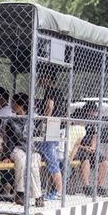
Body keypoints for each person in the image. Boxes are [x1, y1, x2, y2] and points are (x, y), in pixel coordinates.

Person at [2, 93, 45, 207]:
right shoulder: (11, 121)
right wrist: (6, 155)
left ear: (20, 105)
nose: (11, 105)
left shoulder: (35, 119)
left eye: (14, 103)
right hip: (17, 148)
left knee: (33, 164)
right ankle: (20, 193)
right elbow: (9, 140)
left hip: (32, 149)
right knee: (22, 160)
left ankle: (38, 196)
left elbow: (39, 138)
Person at [36, 68, 65, 201]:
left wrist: (44, 121)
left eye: (41, 77)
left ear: (47, 77)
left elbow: (50, 107)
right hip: (56, 125)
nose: (39, 80)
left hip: (51, 125)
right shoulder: (59, 91)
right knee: (50, 156)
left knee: (50, 157)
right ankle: (54, 189)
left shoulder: (51, 91)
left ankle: (59, 190)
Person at [73, 102, 108, 196]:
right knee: (86, 160)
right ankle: (86, 187)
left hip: (89, 148)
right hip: (78, 148)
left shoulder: (93, 122)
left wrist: (93, 147)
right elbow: (73, 141)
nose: (95, 114)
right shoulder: (78, 120)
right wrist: (84, 147)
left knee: (104, 162)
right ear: (88, 111)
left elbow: (94, 136)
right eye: (93, 112)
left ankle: (99, 187)